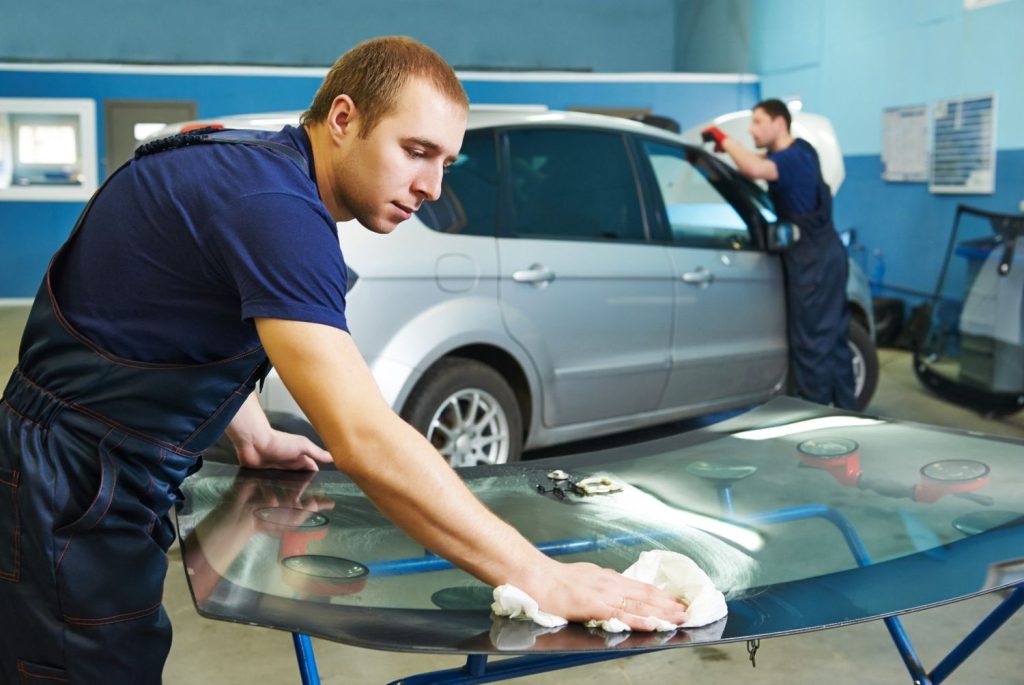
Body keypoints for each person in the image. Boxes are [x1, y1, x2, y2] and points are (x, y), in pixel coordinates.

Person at [0, 36, 688, 683]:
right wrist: (543, 576)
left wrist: (250, 428)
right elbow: (362, 433)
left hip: (78, 468)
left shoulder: (253, 169)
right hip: (65, 486)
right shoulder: (276, 207)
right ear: (342, 117)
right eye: (416, 150)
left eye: (446, 162)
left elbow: (171, 313)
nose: (432, 187)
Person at [702, 99, 856, 409]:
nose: (751, 129)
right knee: (835, 340)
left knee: (812, 343)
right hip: (826, 257)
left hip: (813, 262)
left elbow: (755, 168)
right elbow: (755, 163)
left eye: (758, 122)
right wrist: (724, 158)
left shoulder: (792, 158)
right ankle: (846, 413)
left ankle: (815, 421)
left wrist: (724, 139)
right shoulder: (800, 152)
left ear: (779, 123)